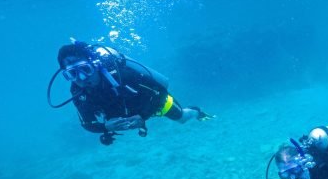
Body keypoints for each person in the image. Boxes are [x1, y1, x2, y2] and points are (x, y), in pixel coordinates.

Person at [48, 40, 213, 145]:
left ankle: (196, 111)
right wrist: (105, 127)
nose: (81, 78)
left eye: (85, 69)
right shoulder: (78, 91)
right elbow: (87, 124)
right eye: (72, 74)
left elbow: (161, 91)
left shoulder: (122, 75)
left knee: (182, 118)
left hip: (153, 105)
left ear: (95, 65)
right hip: (129, 115)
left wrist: (143, 116)